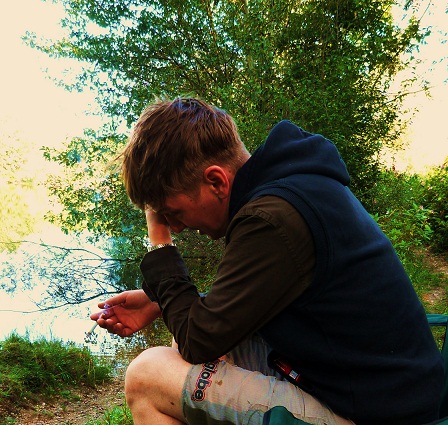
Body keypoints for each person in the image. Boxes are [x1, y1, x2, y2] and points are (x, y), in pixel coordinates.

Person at [91, 97, 443, 425]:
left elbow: (200, 338)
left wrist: (159, 242)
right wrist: (158, 303)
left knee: (146, 376)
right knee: (183, 347)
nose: (177, 227)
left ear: (216, 181)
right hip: (381, 385)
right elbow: (227, 315)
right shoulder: (294, 186)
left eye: (174, 212)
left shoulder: (272, 218)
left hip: (382, 412)